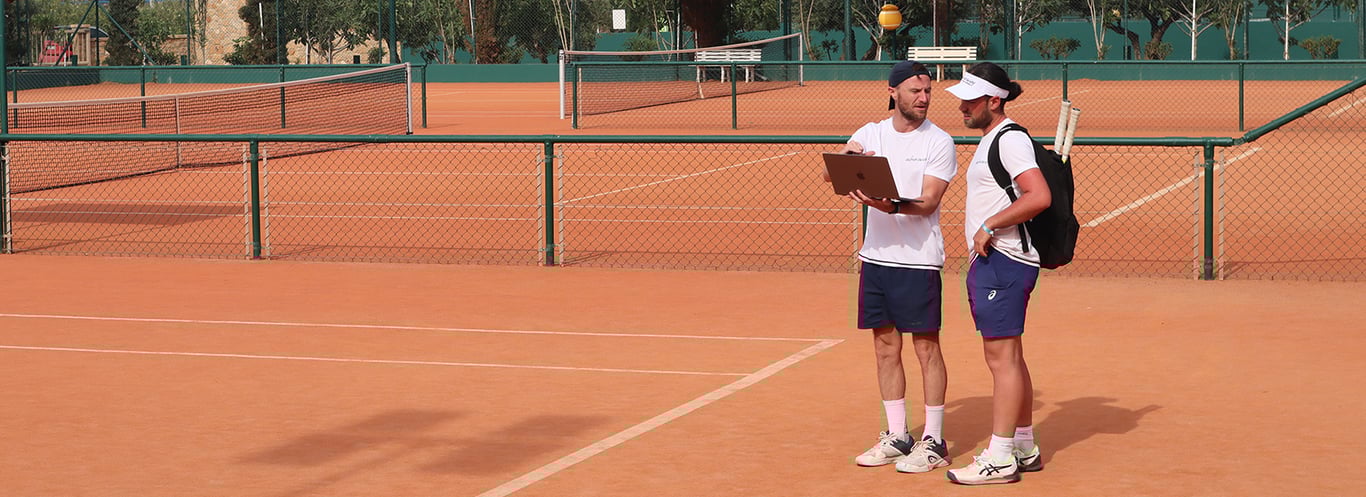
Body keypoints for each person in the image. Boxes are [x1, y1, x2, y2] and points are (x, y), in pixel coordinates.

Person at [824, 60, 956, 474]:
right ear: (893, 92)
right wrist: (846, 157)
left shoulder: (939, 141)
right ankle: (898, 435)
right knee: (885, 347)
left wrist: (888, 204)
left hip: (918, 261)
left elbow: (929, 202)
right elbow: (830, 175)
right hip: (876, 258)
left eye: (928, 91)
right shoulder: (871, 133)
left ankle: (934, 440)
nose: (923, 98)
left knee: (925, 348)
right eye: (916, 91)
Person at [942, 62, 1050, 485]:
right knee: (1011, 356)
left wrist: (990, 226)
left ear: (994, 101)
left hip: (1004, 260)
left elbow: (1037, 195)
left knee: (1000, 359)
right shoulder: (996, 138)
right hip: (998, 261)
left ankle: (1000, 456)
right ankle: (1023, 445)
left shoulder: (1009, 140)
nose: (963, 107)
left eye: (971, 100)